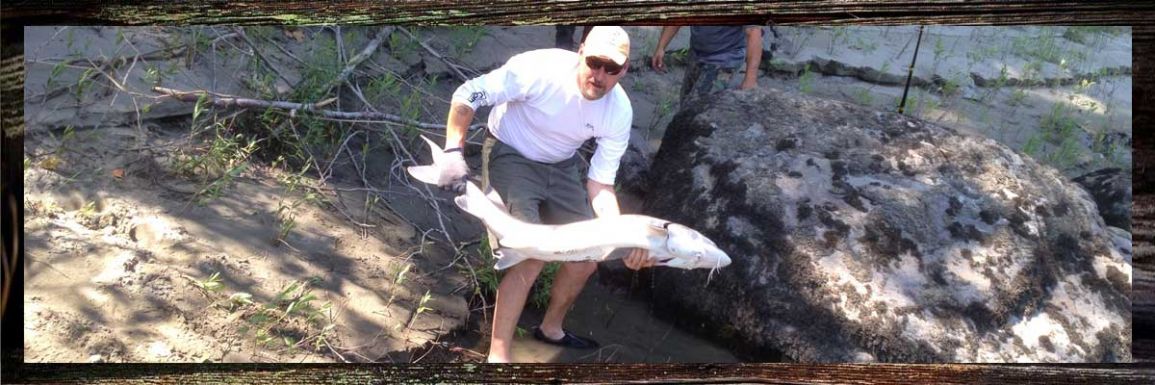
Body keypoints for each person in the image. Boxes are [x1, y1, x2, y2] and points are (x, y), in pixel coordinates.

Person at [430, 26, 657, 363]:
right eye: (595, 62)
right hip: (511, 151)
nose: (600, 75)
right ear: (581, 53)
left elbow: (601, 185)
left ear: (624, 70)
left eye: (611, 69)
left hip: (561, 164)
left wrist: (621, 236)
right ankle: (499, 356)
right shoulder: (539, 69)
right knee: (532, 255)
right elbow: (468, 93)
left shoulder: (619, 110)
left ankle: (550, 329)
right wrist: (452, 150)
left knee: (587, 260)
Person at [650, 26, 764, 108]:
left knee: (698, 106)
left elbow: (754, 31)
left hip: (725, 58)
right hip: (697, 52)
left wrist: (750, 79)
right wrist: (661, 47)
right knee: (686, 100)